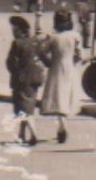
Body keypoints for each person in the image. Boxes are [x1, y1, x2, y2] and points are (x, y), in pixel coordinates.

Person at [38, 9, 84, 144]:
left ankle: (61, 125)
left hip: (56, 67)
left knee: (58, 95)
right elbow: (80, 55)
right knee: (68, 94)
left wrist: (48, 63)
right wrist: (74, 62)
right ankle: (62, 125)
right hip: (70, 67)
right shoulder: (75, 36)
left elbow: (41, 51)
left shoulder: (52, 37)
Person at [5, 15, 47, 146]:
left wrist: (15, 71)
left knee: (23, 109)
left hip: (22, 80)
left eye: (15, 29)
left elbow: (12, 63)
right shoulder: (36, 41)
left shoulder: (17, 43)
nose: (13, 32)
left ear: (20, 31)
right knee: (27, 107)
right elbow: (45, 59)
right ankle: (21, 134)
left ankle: (34, 134)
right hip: (35, 79)